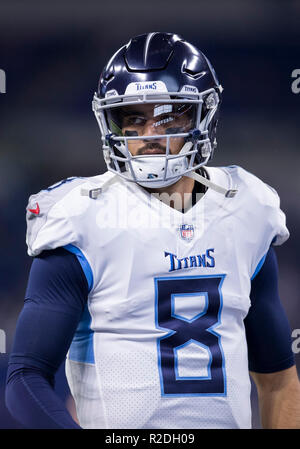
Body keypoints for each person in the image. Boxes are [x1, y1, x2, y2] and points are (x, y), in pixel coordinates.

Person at [5, 32, 300, 429]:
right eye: (134, 119)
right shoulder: (81, 217)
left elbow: (278, 381)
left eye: (167, 117)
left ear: (203, 115)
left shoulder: (245, 208)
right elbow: (25, 379)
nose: (149, 137)